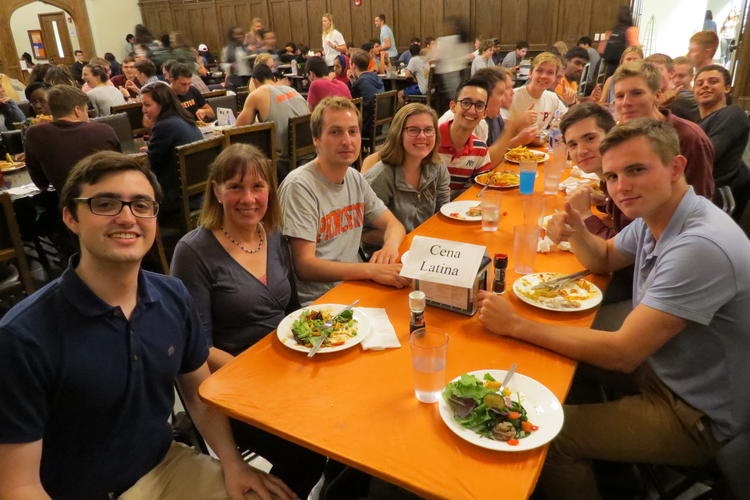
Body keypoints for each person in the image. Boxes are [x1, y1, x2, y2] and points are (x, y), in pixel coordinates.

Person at [477, 118, 750, 500]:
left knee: (541, 437)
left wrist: (516, 325)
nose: (622, 186)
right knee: (565, 367)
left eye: (636, 170)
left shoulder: (700, 245)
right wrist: (576, 228)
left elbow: (622, 353)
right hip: (669, 371)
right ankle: (611, 463)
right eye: (612, 176)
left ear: (675, 167)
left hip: (700, 414)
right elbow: (604, 257)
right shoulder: (661, 214)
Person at [0, 150, 296, 500]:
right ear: (70, 217)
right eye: (106, 204)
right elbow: (18, 486)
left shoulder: (171, 296)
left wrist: (233, 464)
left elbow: (199, 395)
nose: (127, 218)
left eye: (141, 205)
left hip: (165, 467)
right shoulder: (22, 337)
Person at [169, 144, 326, 497]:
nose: (248, 198)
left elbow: (291, 311)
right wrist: (261, 375)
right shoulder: (194, 252)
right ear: (216, 191)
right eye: (235, 186)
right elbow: (198, 346)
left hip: (287, 369)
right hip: (235, 384)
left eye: (258, 186)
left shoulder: (271, 234)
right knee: (307, 450)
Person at [279, 97, 408, 305]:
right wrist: (371, 270)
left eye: (353, 131)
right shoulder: (300, 186)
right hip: (320, 302)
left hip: (356, 285)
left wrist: (389, 248)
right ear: (316, 139)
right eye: (335, 132)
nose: (347, 141)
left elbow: (394, 224)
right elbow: (304, 265)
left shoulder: (354, 177)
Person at [612, 60, 714, 198]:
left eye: (636, 93)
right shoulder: (624, 133)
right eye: (620, 96)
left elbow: (700, 199)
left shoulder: (688, 137)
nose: (625, 103)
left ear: (657, 96)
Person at [547, 102, 630, 243]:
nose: (581, 151)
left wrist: (584, 215)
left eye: (590, 138)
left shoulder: (628, 182)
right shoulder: (609, 179)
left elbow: (624, 252)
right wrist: (603, 201)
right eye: (573, 144)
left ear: (612, 135)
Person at [364, 103, 450, 232]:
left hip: (427, 244)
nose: (422, 136)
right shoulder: (381, 176)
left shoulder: (438, 166)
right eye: (413, 130)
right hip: (389, 249)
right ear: (398, 134)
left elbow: (443, 212)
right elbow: (365, 233)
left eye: (428, 130)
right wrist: (407, 239)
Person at [25, 84, 120, 192]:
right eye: (86, 110)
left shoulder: (34, 133)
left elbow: (40, 181)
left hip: (68, 201)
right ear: (77, 110)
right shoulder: (104, 130)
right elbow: (119, 167)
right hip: (111, 194)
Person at [694, 64, 750, 220]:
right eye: (700, 83)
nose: (705, 85)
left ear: (727, 88)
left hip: (713, 202)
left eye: (713, 81)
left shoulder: (732, 113)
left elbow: (709, 152)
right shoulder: (696, 124)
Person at [235, 64, 309, 179]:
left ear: (254, 82)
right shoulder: (292, 90)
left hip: (283, 163)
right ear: (274, 79)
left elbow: (237, 129)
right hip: (309, 155)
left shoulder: (257, 93)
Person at [141, 82, 202, 216]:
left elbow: (150, 165)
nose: (143, 110)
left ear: (162, 103)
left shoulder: (164, 126)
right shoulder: (184, 118)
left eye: (147, 105)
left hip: (175, 199)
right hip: (198, 195)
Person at [438, 78, 493, 198]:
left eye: (479, 105)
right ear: (453, 107)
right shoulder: (429, 141)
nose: (472, 111)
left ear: (484, 113)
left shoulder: (481, 150)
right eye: (466, 103)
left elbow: (481, 191)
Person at [509, 52, 568, 136]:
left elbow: (569, 118)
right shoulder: (512, 96)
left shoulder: (552, 98)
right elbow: (500, 135)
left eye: (550, 73)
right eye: (539, 71)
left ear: (555, 77)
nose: (544, 76)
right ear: (530, 73)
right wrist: (519, 123)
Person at [644, 53, 699, 122]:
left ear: (671, 73)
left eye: (657, 70)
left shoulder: (683, 98)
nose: (651, 75)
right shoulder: (649, 99)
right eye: (647, 71)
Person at [349, 48, 384, 145]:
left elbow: (352, 103)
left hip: (367, 127)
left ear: (353, 65)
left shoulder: (360, 82)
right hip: (379, 125)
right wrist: (353, 81)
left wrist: (353, 83)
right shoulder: (376, 77)